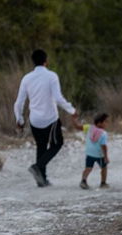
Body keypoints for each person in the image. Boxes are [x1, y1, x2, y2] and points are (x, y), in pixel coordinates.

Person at [13, 49, 78, 187]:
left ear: (33, 62)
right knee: (57, 144)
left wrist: (20, 120)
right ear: (46, 61)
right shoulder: (52, 76)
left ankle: (41, 180)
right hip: (51, 118)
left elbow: (19, 103)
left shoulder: (26, 78)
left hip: (35, 120)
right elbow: (58, 97)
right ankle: (38, 167)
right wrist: (71, 109)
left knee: (41, 147)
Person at [80, 112, 111, 190]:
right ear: (100, 123)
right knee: (104, 168)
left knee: (88, 168)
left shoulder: (89, 127)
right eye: (106, 121)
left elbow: (78, 127)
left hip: (89, 153)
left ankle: (83, 181)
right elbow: (103, 146)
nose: (107, 123)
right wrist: (106, 157)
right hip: (99, 155)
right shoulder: (103, 133)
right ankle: (103, 183)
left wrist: (73, 119)